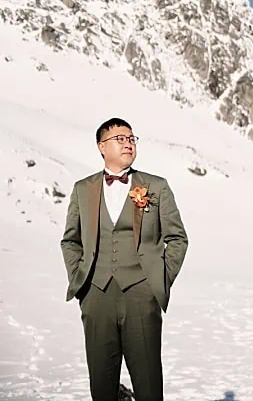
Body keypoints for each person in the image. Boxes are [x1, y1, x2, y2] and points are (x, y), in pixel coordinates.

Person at [60, 117, 188, 401]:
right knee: (101, 383)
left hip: (142, 296)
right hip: (96, 296)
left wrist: (158, 280)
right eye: (120, 138)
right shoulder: (83, 189)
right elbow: (70, 241)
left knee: (149, 383)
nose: (128, 143)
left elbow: (178, 238)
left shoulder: (156, 186)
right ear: (101, 146)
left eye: (131, 138)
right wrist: (82, 282)